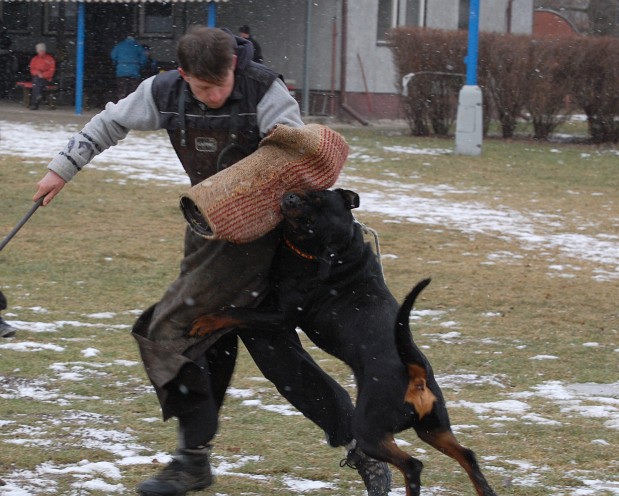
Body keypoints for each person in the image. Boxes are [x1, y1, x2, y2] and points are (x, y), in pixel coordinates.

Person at [33, 26, 391, 496]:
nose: (216, 96)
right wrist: (61, 169)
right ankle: (357, 444)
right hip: (207, 236)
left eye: (222, 84)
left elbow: (294, 160)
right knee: (258, 348)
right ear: (183, 75)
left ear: (234, 67)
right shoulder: (163, 91)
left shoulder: (265, 91)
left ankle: (195, 460)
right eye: (203, 88)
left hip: (270, 240)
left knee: (173, 332)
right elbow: (109, 122)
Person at [110, 34, 147, 100]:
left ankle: (121, 102)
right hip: (134, 70)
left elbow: (113, 55)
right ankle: (131, 103)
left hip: (121, 70)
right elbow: (144, 57)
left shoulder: (119, 45)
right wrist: (140, 66)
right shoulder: (137, 46)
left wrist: (116, 63)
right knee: (133, 91)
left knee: (121, 89)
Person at [28, 43, 56, 110]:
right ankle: (38, 96)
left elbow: (52, 71)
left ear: (45, 50)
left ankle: (35, 103)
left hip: (47, 79)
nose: (41, 52)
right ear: (37, 51)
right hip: (37, 78)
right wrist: (38, 73)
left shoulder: (50, 59)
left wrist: (43, 75)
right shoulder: (34, 59)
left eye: (42, 50)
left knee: (36, 84)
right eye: (40, 50)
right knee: (37, 83)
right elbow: (32, 69)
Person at [0, 32, 17, 99]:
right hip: (6, 69)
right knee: (5, 81)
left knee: (4, 80)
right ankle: (4, 93)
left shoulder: (9, 56)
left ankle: (3, 93)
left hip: (5, 69)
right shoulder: (10, 55)